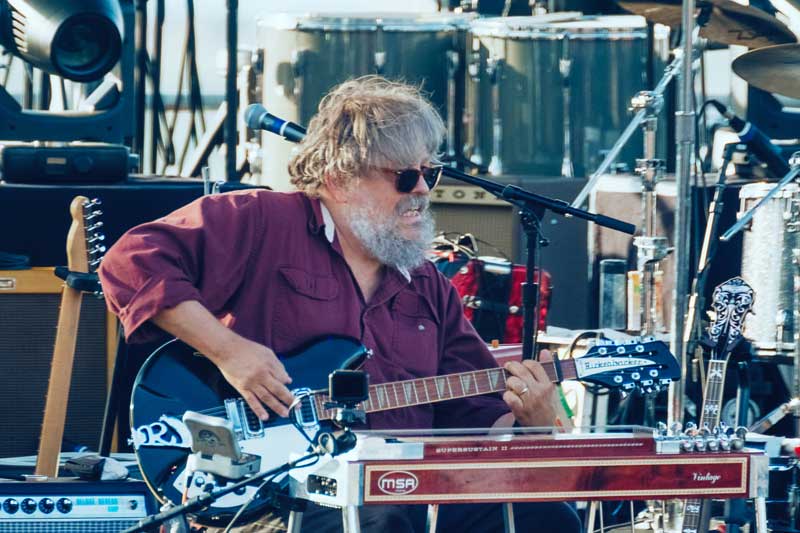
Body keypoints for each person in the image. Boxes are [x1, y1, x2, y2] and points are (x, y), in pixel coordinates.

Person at [98, 76, 581, 533]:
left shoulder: (428, 284)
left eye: (428, 175)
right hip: (270, 492)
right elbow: (131, 261)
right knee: (380, 520)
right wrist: (228, 351)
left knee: (548, 518)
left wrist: (530, 420)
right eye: (404, 176)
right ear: (338, 176)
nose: (420, 190)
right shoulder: (259, 221)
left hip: (401, 491)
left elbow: (476, 416)